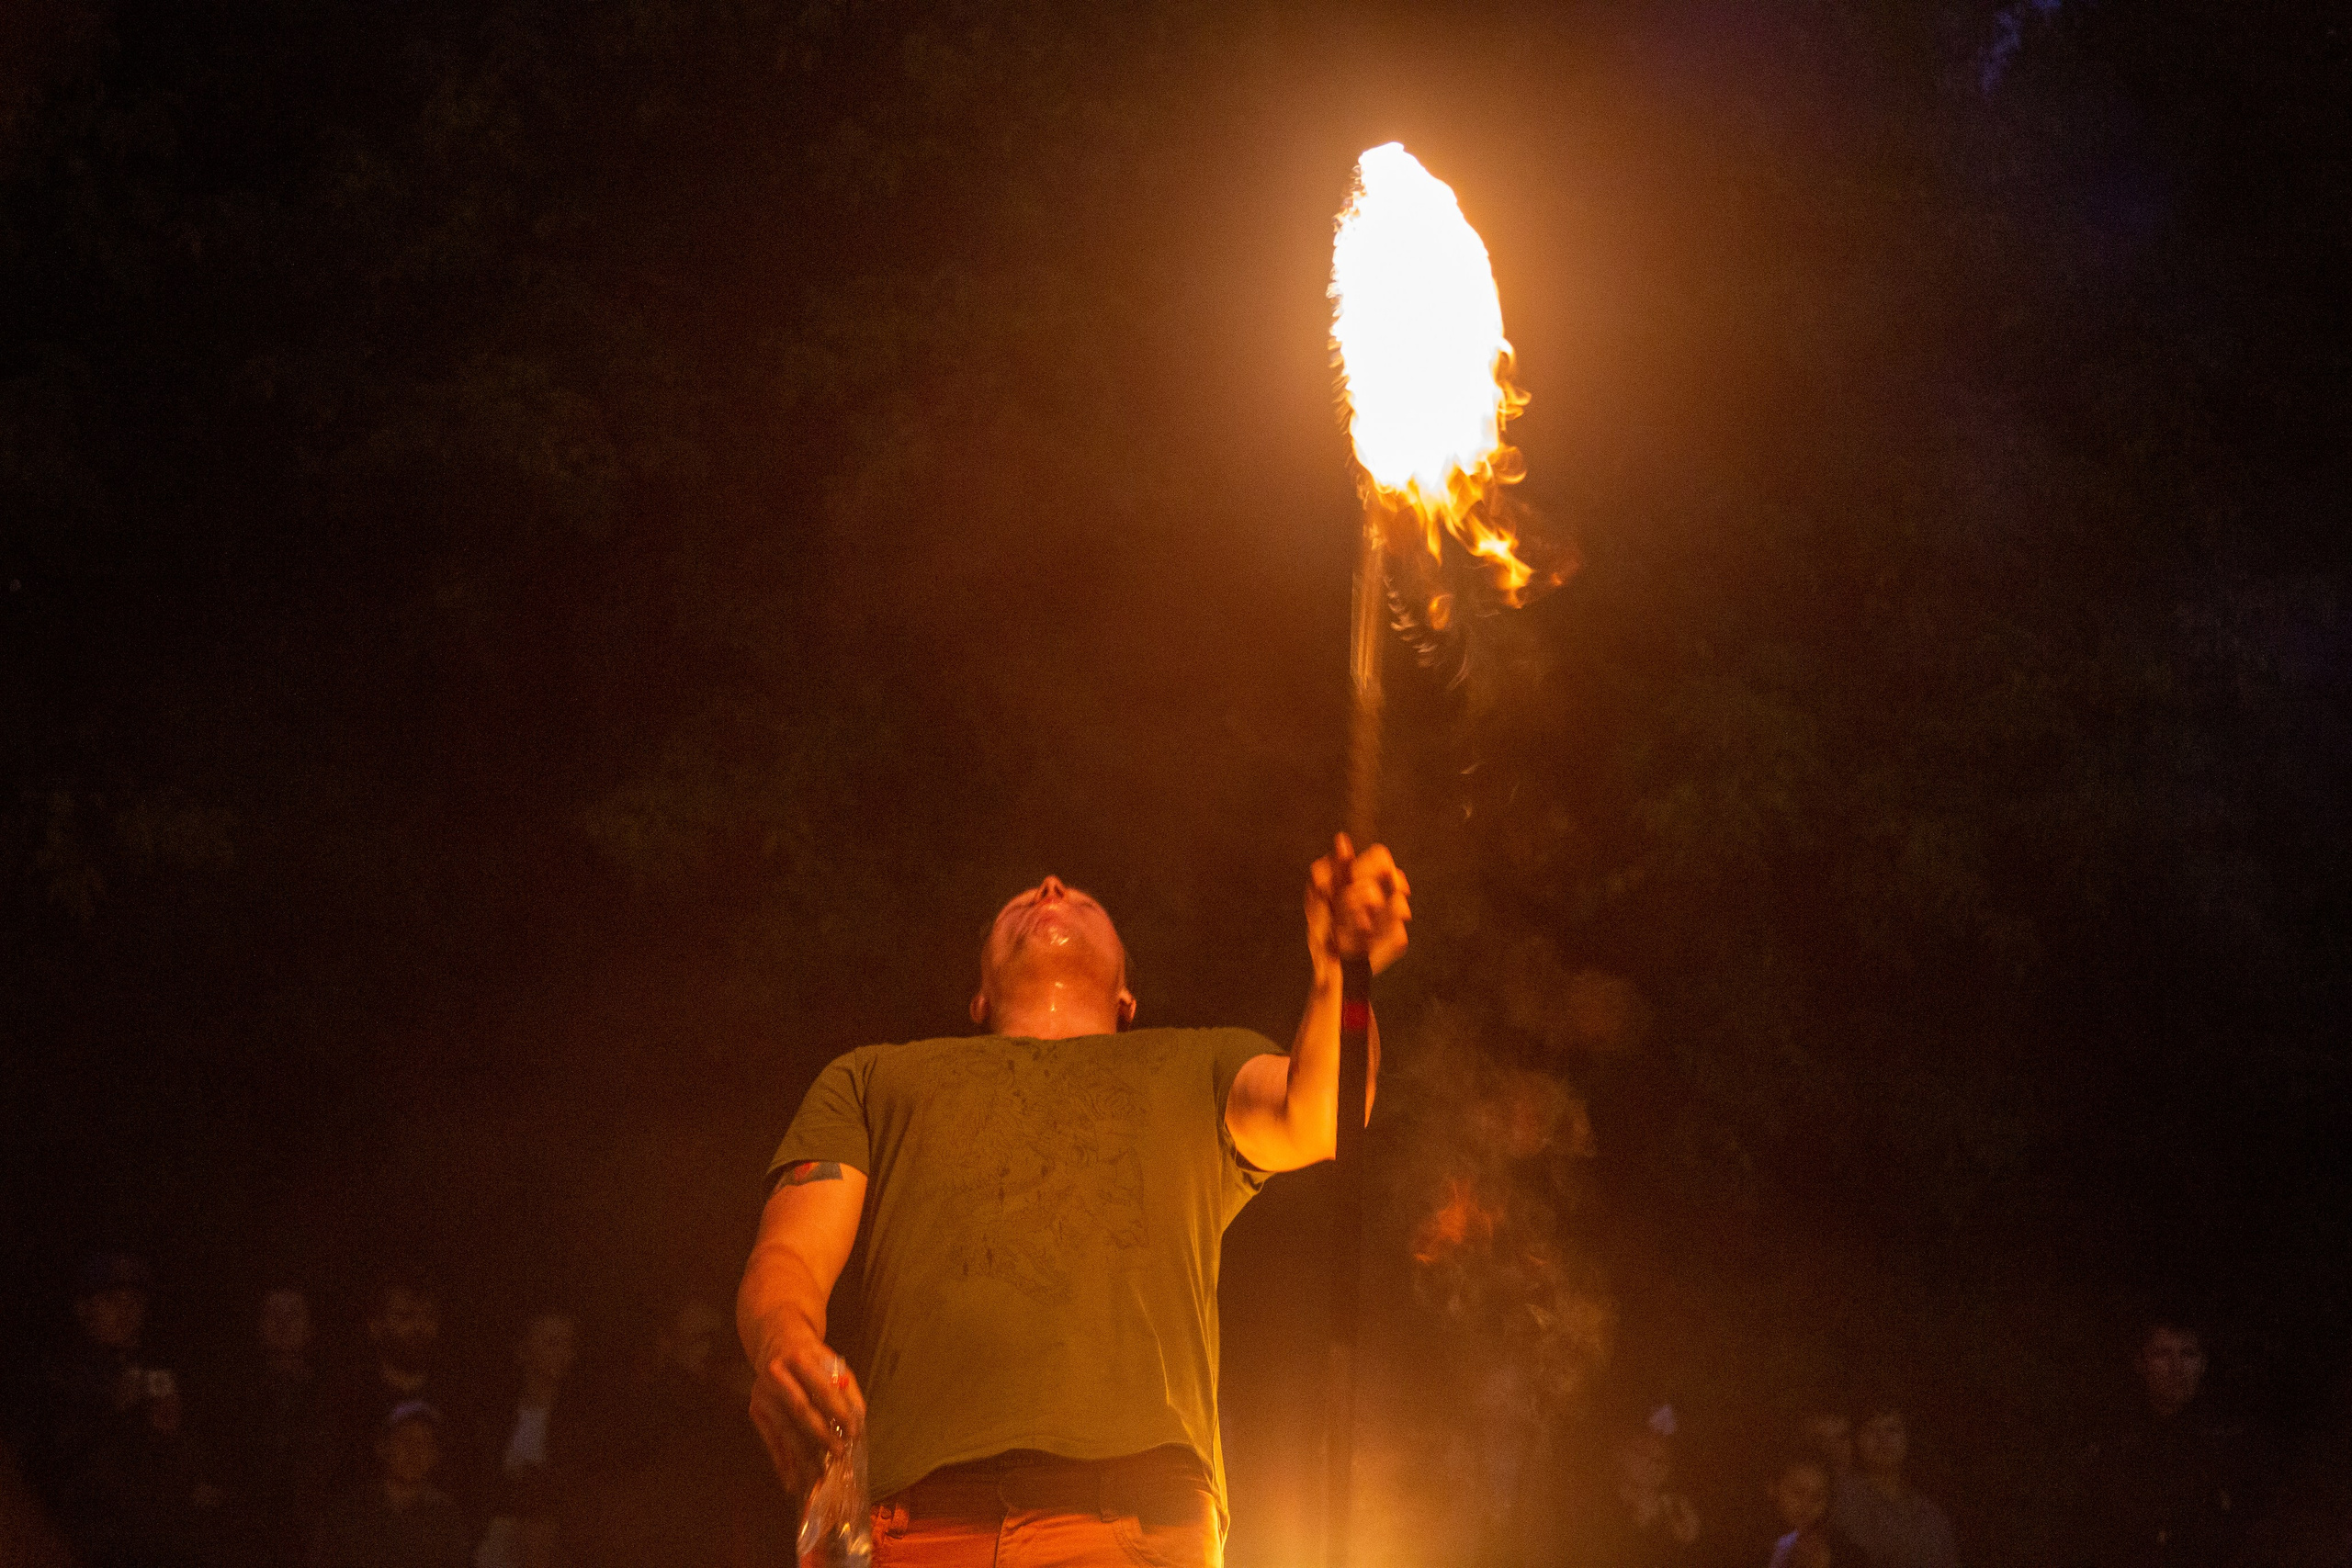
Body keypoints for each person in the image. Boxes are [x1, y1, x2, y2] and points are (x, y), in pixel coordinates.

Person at [738, 839, 1411, 1568]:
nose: (1051, 884)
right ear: (979, 998)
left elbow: (1323, 1112)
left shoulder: (1201, 1063)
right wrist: (783, 1338)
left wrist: (1342, 971)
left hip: (1135, 1515)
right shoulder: (873, 1076)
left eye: (1082, 899)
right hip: (913, 1521)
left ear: (1128, 997)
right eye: (1026, 896)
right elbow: (789, 1252)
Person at [22, 1251, 219, 1568]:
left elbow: (174, 1461)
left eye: (136, 1303)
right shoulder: (57, 1376)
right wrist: (110, 1410)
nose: (126, 1312)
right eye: (112, 1300)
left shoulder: (153, 1370)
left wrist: (180, 1453)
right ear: (84, 1309)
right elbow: (52, 1468)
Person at [2078, 1317, 2258, 1568]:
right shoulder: (2112, 1443)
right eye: (2162, 1354)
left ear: (2203, 1364)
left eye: (2188, 1354)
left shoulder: (2234, 1444)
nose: (2177, 1368)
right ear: (2141, 1364)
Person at [206, 1286, 337, 1567]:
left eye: (293, 1315)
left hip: (308, 1541)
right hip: (244, 1539)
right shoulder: (232, 1396)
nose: (283, 1323)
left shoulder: (331, 1396)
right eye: (273, 1314)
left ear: (311, 1328)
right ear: (258, 1325)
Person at [328, 1277, 475, 1520]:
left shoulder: (457, 1400)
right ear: (375, 1326)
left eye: (428, 1316)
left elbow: (467, 1478)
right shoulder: (349, 1398)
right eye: (404, 1316)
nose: (418, 1327)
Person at [474, 1311, 583, 1568]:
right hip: (495, 1539)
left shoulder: (581, 1421)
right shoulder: (494, 1415)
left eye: (568, 1344)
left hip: (554, 1542)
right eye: (552, 1343)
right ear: (522, 1350)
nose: (563, 1353)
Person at [311, 1402, 471, 1568]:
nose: (414, 1451)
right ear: (382, 1447)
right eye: (404, 1439)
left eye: (424, 1442)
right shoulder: (348, 1512)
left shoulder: (445, 1517)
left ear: (435, 1456)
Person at [1831, 1402, 1958, 1568]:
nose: (1883, 1439)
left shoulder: (1930, 1514)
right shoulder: (1838, 1498)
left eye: (1892, 1430)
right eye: (1871, 1430)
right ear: (1858, 1439)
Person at [1768, 1453, 1866, 1568]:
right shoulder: (1748, 1544)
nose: (1806, 1505)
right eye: (1798, 1492)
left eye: (1817, 1497)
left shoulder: (1845, 1554)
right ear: (1772, 1489)